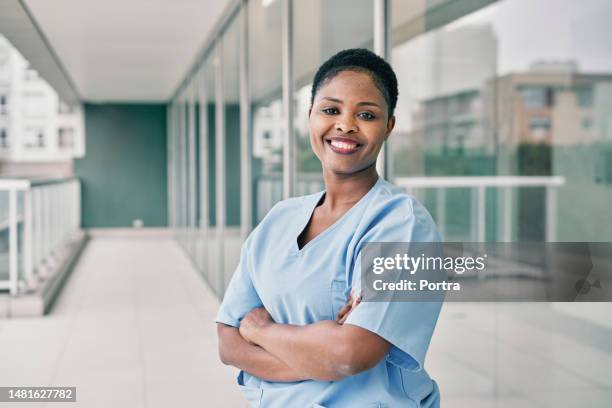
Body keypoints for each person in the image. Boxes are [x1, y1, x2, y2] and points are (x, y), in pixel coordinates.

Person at [216, 48, 443, 407]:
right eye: (331, 109)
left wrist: (262, 331)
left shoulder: (404, 226)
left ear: (389, 126)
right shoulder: (279, 219)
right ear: (310, 116)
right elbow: (228, 341)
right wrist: (317, 351)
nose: (346, 125)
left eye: (366, 114)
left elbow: (349, 354)